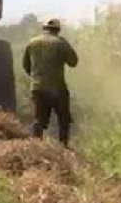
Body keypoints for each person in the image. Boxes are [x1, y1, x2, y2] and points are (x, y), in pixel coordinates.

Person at [22, 18, 78, 148]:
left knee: (38, 120)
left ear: (44, 28)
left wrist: (36, 77)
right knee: (63, 119)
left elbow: (26, 65)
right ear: (58, 30)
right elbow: (73, 62)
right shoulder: (61, 43)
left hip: (37, 87)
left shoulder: (32, 43)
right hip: (57, 88)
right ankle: (63, 147)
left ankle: (35, 147)